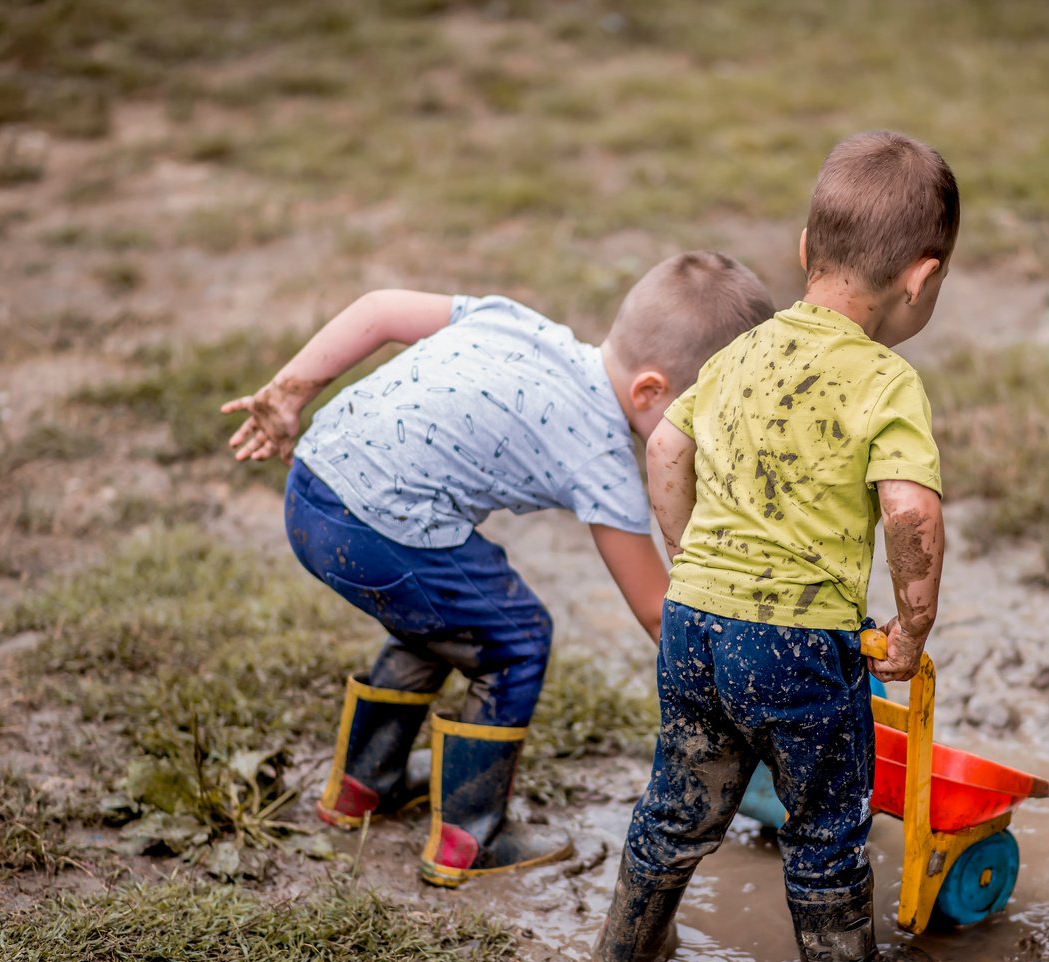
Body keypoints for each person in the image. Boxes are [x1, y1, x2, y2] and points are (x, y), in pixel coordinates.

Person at [220, 251, 775, 887]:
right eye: (704, 425)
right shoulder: (602, 456)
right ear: (650, 391)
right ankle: (468, 839)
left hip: (312, 485)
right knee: (516, 637)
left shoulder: (513, 321)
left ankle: (362, 788)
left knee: (446, 617)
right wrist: (743, 690)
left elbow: (377, 311)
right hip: (372, 523)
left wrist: (289, 393)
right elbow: (659, 612)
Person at [586, 131, 956, 962]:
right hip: (797, 642)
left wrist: (690, 560)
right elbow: (912, 516)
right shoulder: (885, 378)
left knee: (680, 798)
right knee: (825, 818)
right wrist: (909, 630)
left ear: (803, 249)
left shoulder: (736, 355)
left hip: (696, 627)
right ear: (921, 278)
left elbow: (668, 444)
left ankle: (620, 960)